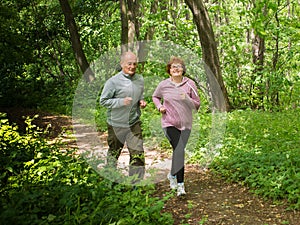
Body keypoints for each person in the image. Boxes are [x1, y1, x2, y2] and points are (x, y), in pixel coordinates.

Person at [152, 56, 200, 196]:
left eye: (179, 67)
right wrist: (159, 106)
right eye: (173, 67)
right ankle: (180, 185)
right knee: (179, 150)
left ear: (183, 70)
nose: (176, 69)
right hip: (169, 123)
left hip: (185, 124)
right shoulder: (164, 84)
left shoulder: (190, 84)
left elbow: (197, 105)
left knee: (178, 151)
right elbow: (155, 97)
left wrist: (187, 98)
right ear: (169, 70)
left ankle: (172, 174)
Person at [100, 51, 147, 182]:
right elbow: (103, 101)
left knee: (137, 153)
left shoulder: (140, 79)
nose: (132, 67)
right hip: (116, 123)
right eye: (129, 64)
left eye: (135, 64)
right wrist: (121, 102)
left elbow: (139, 94)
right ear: (122, 64)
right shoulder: (113, 82)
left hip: (133, 122)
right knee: (114, 153)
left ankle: (135, 184)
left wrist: (141, 101)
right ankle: (110, 180)